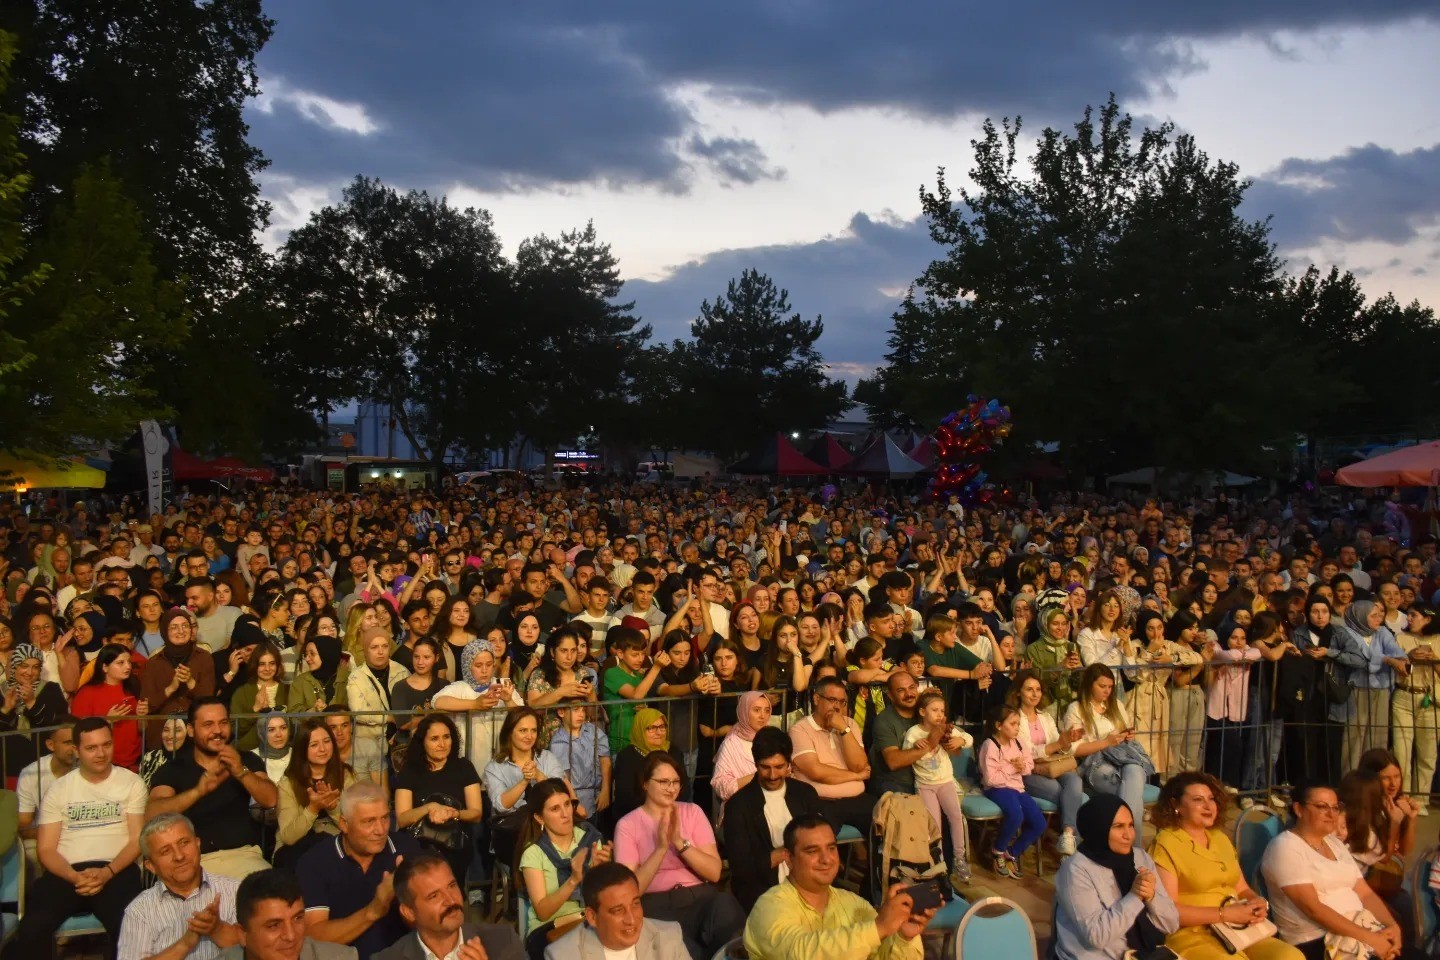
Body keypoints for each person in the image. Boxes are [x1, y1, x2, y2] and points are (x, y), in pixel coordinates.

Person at [2, 717, 147, 960]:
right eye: (91, 748)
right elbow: (46, 849)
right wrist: (73, 876)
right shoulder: (59, 789)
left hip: (116, 870)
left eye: (106, 745)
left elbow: (136, 841)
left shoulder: (132, 783)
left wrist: (107, 872)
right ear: (76, 750)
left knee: (130, 926)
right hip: (66, 873)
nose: (101, 753)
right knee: (32, 928)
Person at [1149, 772, 1300, 960]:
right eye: (1198, 799)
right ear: (1175, 805)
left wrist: (1258, 902)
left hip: (1236, 929)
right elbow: (1168, 911)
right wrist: (1224, 914)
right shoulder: (1166, 843)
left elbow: (1242, 888)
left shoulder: (1220, 838)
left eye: (1211, 799)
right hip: (1193, 933)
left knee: (1290, 956)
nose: (1208, 806)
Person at [743, 814, 934, 960]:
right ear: (788, 858)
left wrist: (903, 937)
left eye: (831, 848)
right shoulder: (769, 906)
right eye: (812, 851)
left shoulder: (854, 904)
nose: (826, 859)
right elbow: (801, 952)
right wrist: (878, 928)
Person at [613, 752, 745, 960]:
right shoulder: (628, 825)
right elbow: (630, 890)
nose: (671, 788)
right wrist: (661, 848)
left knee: (726, 908)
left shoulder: (692, 812)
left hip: (698, 896)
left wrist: (679, 843)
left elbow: (714, 872)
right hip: (655, 905)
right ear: (645, 783)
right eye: (664, 782)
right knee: (681, 948)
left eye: (675, 782)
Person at [1261, 782, 1403, 960]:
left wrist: (1391, 925)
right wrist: (1371, 938)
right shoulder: (1285, 847)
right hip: (1317, 940)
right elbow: (1314, 909)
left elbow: (1365, 893)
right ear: (1299, 809)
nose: (1331, 814)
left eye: (1336, 808)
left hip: (1361, 928)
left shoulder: (1334, 843)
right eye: (1322, 807)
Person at [145, 698, 278, 880]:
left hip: (245, 858)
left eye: (223, 723)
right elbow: (152, 814)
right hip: (194, 863)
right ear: (191, 730)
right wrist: (198, 791)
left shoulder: (245, 760)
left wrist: (241, 772)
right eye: (208, 724)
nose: (217, 730)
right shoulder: (173, 769)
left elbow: (271, 798)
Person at [296, 782, 422, 960]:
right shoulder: (315, 862)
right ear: (344, 824)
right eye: (369, 821)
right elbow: (313, 935)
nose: (380, 830)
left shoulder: (407, 850)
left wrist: (409, 898)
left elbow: (429, 927)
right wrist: (374, 911)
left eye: (385, 818)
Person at [1053, 794, 1180, 960]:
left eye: (1131, 825)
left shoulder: (1140, 858)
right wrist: (1135, 896)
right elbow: (1096, 936)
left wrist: (1152, 897)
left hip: (1142, 954)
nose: (1128, 835)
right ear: (1099, 828)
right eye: (1119, 826)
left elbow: (1171, 924)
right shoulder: (1076, 870)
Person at [720, 727, 822, 911]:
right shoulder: (738, 805)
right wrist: (781, 855)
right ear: (755, 764)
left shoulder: (805, 794)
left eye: (779, 767)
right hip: (762, 890)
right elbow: (741, 868)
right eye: (765, 767)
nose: (773, 775)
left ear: (789, 763)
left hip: (808, 881)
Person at [117, 813, 242, 960]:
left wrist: (217, 929)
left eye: (183, 843)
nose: (179, 856)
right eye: (166, 851)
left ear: (198, 843)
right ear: (151, 866)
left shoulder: (235, 891)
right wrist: (184, 944)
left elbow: (257, 951)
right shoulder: (139, 911)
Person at [516, 778, 611, 960]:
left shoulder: (590, 839)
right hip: (550, 927)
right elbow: (543, 912)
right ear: (539, 817)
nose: (565, 814)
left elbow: (605, 898)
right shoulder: (533, 852)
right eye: (555, 809)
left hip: (590, 920)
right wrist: (574, 880)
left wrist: (601, 873)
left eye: (567, 804)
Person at [371, 852, 525, 960]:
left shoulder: (503, 941)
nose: (450, 900)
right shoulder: (388, 958)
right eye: (434, 896)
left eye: (451, 886)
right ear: (409, 912)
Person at [393, 713, 483, 885]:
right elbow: (402, 819)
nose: (442, 744)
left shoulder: (464, 767)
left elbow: (476, 813)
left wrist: (453, 813)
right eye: (434, 739)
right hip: (419, 844)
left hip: (455, 841)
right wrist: (430, 808)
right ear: (422, 742)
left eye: (446, 737)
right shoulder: (410, 772)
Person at [542, 862, 688, 960]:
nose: (631, 920)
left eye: (635, 904)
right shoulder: (563, 956)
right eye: (618, 911)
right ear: (592, 917)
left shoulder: (669, 938)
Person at [1064, 664, 1153, 823]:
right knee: (1131, 795)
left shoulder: (1116, 704)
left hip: (1121, 757)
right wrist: (1106, 742)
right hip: (1094, 763)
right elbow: (1075, 751)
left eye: (1110, 687)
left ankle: (1128, 834)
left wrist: (1127, 736)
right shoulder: (1076, 709)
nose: (1107, 691)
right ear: (1089, 684)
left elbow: (1122, 734)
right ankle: (1134, 838)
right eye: (1102, 686)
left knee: (1135, 769)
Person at [1009, 669, 1084, 856]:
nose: (1035, 694)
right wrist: (1057, 744)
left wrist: (1067, 741)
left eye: (1038, 689)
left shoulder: (1046, 717)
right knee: (1070, 796)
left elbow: (1059, 749)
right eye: (1029, 689)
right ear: (1018, 692)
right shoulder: (1013, 719)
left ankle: (1067, 836)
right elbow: (1027, 752)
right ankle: (1076, 846)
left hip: (1052, 766)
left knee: (1075, 782)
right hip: (1028, 770)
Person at [788, 675, 874, 835]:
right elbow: (817, 772)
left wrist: (844, 729)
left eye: (842, 702)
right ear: (816, 699)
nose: (837, 707)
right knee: (817, 836)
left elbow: (859, 766)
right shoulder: (800, 730)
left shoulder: (850, 725)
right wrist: (857, 776)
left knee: (890, 820)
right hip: (821, 802)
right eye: (832, 700)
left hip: (857, 800)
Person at [218, 868, 357, 960]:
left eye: (298, 918)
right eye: (274, 925)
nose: (291, 936)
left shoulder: (342, 957)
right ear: (242, 934)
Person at [274, 719, 355, 869]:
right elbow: (289, 837)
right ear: (302, 749)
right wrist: (313, 808)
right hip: (296, 850)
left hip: (336, 846)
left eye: (327, 741)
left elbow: (354, 827)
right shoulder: (288, 783)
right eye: (314, 745)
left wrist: (333, 807)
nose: (323, 749)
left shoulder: (346, 775)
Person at [977, 704, 1044, 881]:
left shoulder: (1019, 743)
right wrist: (1012, 768)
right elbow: (991, 778)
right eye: (1013, 724)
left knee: (1039, 823)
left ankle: (1011, 853)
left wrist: (1022, 767)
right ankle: (997, 850)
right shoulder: (990, 745)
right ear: (999, 725)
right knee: (1016, 814)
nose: (1017, 728)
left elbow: (1029, 767)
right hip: (997, 789)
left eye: (1018, 723)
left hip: (1017, 788)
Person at [346, 626, 410, 786]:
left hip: (402, 743)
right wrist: (389, 718)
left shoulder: (401, 671)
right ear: (366, 650)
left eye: (385, 646)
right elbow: (358, 712)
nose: (380, 651)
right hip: (370, 745)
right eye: (374, 647)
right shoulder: (356, 677)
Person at [1390, 605, 1437, 810]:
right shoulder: (1400, 638)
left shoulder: (1438, 639)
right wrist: (1409, 657)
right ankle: (1403, 798)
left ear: (1427, 619)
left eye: (1414, 615)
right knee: (1402, 752)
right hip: (1403, 697)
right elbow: (1396, 667)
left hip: (1431, 700)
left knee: (1428, 754)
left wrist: (1433, 659)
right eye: (1408, 615)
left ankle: (1421, 800)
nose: (1408, 618)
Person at [546, 699, 611, 823]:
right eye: (576, 710)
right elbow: (563, 777)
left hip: (600, 794)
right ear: (561, 712)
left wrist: (606, 790)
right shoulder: (558, 742)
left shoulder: (593, 730)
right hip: (578, 798)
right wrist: (575, 803)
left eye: (583, 710)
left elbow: (605, 760)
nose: (581, 714)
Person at [613, 706, 677, 822]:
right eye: (651, 728)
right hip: (637, 818)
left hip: (670, 814)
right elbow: (625, 796)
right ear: (640, 729)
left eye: (662, 727)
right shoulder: (626, 757)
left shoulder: (674, 752)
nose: (658, 732)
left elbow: (684, 789)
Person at [710, 691, 773, 806]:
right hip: (743, 806)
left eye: (767, 710)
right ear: (744, 711)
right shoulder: (731, 743)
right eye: (757, 710)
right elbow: (721, 786)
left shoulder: (772, 737)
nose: (763, 716)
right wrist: (759, 775)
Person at [230, 643, 289, 752]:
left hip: (283, 753)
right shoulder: (241, 692)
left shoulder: (288, 690)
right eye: (262, 664)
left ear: (278, 665)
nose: (267, 668)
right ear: (255, 665)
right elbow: (234, 730)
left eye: (272, 663)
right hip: (248, 751)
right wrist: (255, 710)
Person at [286, 635, 350, 714]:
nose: (307, 659)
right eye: (306, 654)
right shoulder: (300, 682)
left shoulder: (350, 679)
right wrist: (313, 711)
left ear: (326, 653)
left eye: (312, 654)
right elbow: (293, 717)